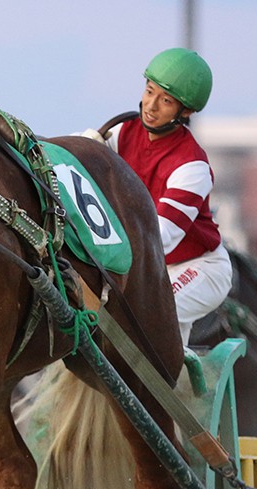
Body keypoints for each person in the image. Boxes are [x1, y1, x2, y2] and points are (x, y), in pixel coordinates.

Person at [84, 47, 232, 344]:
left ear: (185, 111)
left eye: (165, 101)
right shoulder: (123, 131)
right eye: (149, 91)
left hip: (198, 268)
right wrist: (84, 149)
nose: (150, 106)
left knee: (148, 312)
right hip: (152, 268)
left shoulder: (192, 167)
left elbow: (158, 237)